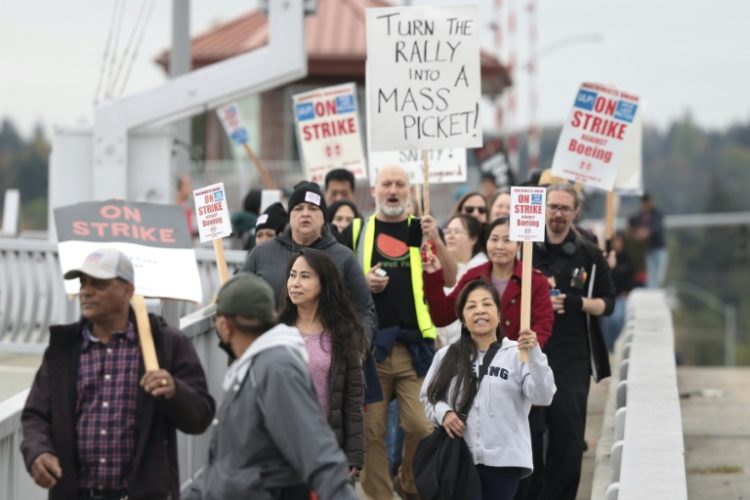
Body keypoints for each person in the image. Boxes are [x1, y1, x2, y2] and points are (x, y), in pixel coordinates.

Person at [21, 248, 215, 500]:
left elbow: (201, 416)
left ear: (128, 291)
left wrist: (175, 390)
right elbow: (35, 414)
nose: (86, 291)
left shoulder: (165, 345)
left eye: (98, 284)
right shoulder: (63, 350)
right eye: (83, 283)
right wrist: (38, 451)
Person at [184, 273, 357, 500]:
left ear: (225, 326)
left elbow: (316, 451)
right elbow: (229, 462)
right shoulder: (255, 366)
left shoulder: (276, 369)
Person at [421, 279, 556, 500]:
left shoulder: (518, 354)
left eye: (487, 304)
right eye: (471, 306)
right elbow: (429, 397)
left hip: (505, 461)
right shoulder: (446, 356)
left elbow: (544, 395)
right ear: (462, 317)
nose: (480, 311)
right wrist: (443, 414)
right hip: (459, 459)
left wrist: (535, 355)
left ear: (499, 314)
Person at [355, 165, 436, 499]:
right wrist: (363, 284)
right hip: (371, 350)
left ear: (410, 191)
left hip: (414, 349)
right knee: (371, 433)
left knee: (422, 425)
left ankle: (409, 481)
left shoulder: (419, 228)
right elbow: (335, 281)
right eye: (386, 184)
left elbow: (443, 278)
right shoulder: (358, 231)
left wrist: (437, 241)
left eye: (400, 184)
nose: (392, 190)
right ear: (373, 190)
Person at [529, 183, 615, 500]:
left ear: (575, 213)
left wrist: (578, 303)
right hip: (531, 355)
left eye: (565, 208)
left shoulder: (589, 253)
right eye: (553, 206)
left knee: (567, 436)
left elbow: (609, 303)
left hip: (572, 357)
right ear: (543, 208)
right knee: (531, 435)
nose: (558, 214)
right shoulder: (526, 249)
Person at [241, 181, 377, 348]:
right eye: (298, 208)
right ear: (289, 216)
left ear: (324, 217)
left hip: (331, 360)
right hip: (273, 355)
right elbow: (240, 301)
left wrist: (359, 347)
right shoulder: (261, 254)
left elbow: (365, 310)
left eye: (313, 208)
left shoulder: (344, 257)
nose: (305, 214)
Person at [277, 249, 366, 477]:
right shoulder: (276, 331)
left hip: (325, 447)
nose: (295, 283)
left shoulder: (344, 333)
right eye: (292, 275)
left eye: (305, 276)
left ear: (323, 284)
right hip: (281, 447)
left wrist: (354, 454)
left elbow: (352, 398)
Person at [423, 217, 553, 348]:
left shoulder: (534, 280)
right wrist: (433, 275)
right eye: (494, 239)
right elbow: (442, 317)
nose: (499, 246)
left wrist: (532, 343)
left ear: (519, 245)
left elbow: (543, 324)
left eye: (507, 240)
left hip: (519, 358)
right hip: (478, 360)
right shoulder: (474, 275)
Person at [431, 214, 488, 346]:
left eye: (457, 232)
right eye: (447, 231)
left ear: (473, 238)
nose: (450, 236)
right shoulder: (436, 266)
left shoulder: (482, 270)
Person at [601, 231, 636, 352]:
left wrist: (627, 291)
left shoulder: (627, 259)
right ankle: (607, 345)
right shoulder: (607, 257)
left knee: (618, 318)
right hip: (609, 295)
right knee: (606, 320)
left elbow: (631, 278)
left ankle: (613, 344)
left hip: (621, 296)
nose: (618, 244)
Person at [630, 193, 668, 288]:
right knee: (651, 272)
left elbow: (657, 227)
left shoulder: (657, 214)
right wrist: (637, 232)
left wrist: (647, 232)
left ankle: (658, 289)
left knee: (659, 273)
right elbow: (632, 223)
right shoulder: (640, 215)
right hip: (648, 248)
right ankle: (652, 290)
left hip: (659, 247)